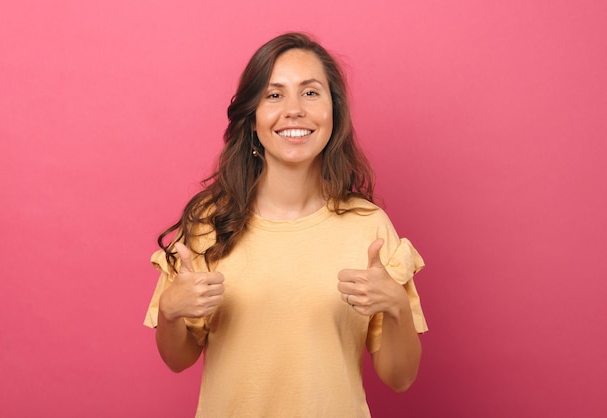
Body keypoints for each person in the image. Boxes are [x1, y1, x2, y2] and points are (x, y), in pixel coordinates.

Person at [144, 32, 427, 417]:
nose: (294, 109)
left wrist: (396, 306)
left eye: (310, 93)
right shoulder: (209, 223)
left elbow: (401, 378)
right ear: (252, 119)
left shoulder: (369, 227)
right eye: (274, 95)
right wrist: (170, 312)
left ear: (334, 112)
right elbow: (178, 360)